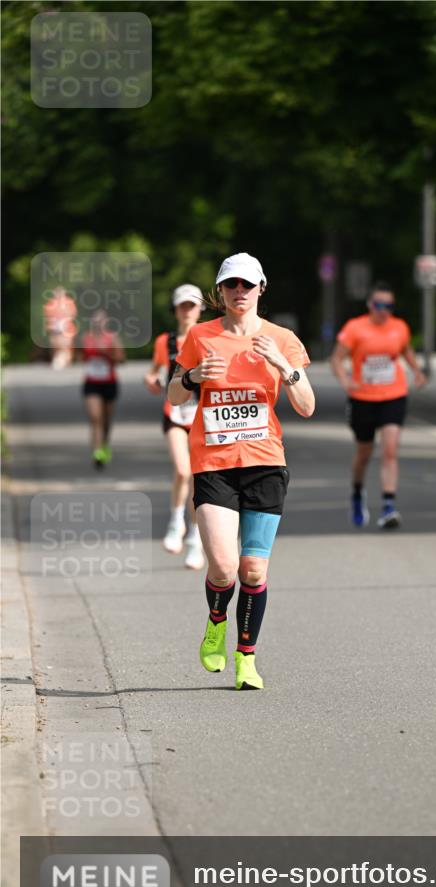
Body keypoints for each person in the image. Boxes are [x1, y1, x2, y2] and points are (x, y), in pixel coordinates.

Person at [168, 252, 315, 690]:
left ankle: (246, 658)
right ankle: (216, 620)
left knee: (253, 569)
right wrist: (192, 376)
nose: (239, 292)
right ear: (220, 291)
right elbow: (175, 397)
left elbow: (306, 406)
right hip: (214, 463)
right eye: (231, 285)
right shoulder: (200, 335)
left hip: (265, 463)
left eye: (246, 285)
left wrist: (283, 367)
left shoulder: (281, 339)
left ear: (260, 289)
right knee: (224, 568)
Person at [330, 281, 427, 528]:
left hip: (394, 395)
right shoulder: (355, 328)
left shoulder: (399, 327)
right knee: (364, 453)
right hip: (362, 398)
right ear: (370, 305)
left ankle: (388, 506)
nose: (384, 310)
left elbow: (406, 351)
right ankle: (356, 492)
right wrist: (345, 381)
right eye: (379, 304)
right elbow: (337, 359)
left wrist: (417, 371)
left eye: (389, 305)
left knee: (390, 450)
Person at [144, 284, 206, 570]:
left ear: (201, 309)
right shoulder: (165, 342)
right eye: (183, 305)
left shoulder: (210, 338)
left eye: (192, 305)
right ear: (175, 309)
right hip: (175, 413)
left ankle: (195, 539)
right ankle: (175, 521)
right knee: (182, 469)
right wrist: (152, 381)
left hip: (204, 417)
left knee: (197, 478)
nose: (187, 310)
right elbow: (155, 372)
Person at [77, 309, 125, 468]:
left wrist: (106, 354)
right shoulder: (86, 338)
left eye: (101, 321)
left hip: (109, 383)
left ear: (106, 322)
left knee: (106, 421)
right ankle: (96, 451)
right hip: (91, 383)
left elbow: (121, 359)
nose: (98, 323)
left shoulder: (112, 338)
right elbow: (79, 357)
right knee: (95, 417)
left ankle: (104, 444)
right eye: (95, 321)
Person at [43, 285, 78, 370]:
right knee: (56, 347)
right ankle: (59, 361)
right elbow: (47, 316)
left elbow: (73, 314)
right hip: (55, 329)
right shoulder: (50, 303)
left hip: (66, 329)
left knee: (65, 347)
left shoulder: (68, 302)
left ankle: (63, 362)